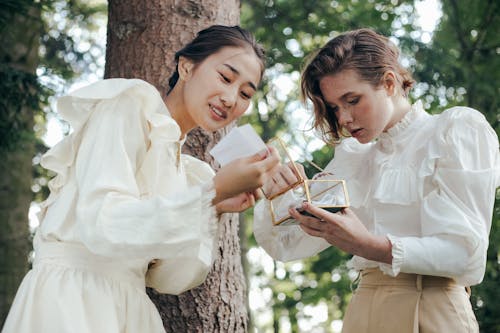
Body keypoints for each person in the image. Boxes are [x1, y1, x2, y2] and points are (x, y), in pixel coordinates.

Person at [2, 25, 280, 333]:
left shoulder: (186, 171)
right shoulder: (128, 105)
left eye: (244, 93)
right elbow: (102, 224)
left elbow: (168, 280)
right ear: (186, 66)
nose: (231, 98)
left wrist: (212, 205)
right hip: (73, 299)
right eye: (226, 78)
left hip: (130, 310)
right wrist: (210, 192)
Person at [253, 28, 499, 333]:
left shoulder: (454, 131)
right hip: (362, 311)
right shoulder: (352, 156)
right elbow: (286, 247)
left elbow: (467, 256)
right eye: (334, 107)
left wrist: (370, 245)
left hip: (431, 308)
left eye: (352, 100)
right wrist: (277, 196)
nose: (343, 118)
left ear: (389, 82)